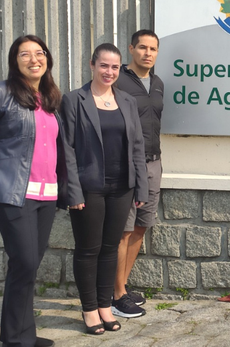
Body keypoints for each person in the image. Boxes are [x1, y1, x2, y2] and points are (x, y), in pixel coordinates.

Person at [0, 35, 79, 347]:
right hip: (13, 194)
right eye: (25, 54)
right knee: (25, 262)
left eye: (39, 53)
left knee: (29, 265)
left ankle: (20, 335)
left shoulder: (50, 99)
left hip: (46, 196)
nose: (34, 59)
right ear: (14, 61)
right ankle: (17, 338)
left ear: (47, 59)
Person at [61, 43, 149, 334]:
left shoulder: (127, 101)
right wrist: (73, 191)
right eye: (103, 65)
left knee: (110, 249)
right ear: (92, 65)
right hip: (88, 188)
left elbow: (137, 146)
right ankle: (89, 310)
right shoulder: (74, 100)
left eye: (114, 67)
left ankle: (104, 306)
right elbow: (67, 149)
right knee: (89, 250)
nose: (109, 72)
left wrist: (141, 187)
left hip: (121, 187)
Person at [113, 30, 164, 318]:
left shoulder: (157, 83)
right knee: (124, 230)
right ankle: (116, 295)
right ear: (131, 49)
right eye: (142, 47)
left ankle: (121, 286)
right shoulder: (117, 80)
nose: (147, 53)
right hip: (128, 165)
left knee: (141, 226)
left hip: (154, 163)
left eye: (153, 49)